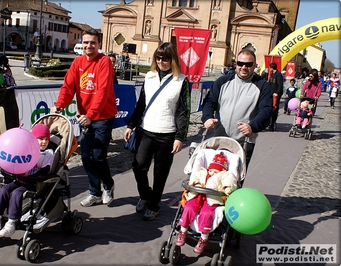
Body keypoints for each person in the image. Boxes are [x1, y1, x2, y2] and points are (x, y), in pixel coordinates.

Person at [123, 42, 190, 221]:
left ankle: (154, 205)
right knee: (138, 166)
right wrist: (131, 125)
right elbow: (141, 103)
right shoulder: (150, 76)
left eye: (166, 58)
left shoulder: (181, 80)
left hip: (167, 133)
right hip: (146, 130)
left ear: (173, 59)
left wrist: (179, 137)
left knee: (160, 173)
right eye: (158, 58)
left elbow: (184, 111)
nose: (162, 62)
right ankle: (146, 195)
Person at [50, 29, 117, 207]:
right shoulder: (78, 62)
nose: (89, 46)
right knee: (86, 156)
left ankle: (108, 185)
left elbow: (102, 92)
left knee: (98, 155)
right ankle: (94, 192)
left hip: (102, 116)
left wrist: (91, 115)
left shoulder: (104, 62)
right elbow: (68, 87)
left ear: (99, 44)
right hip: (84, 117)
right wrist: (59, 106)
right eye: (86, 42)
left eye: (93, 42)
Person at [0, 124, 54, 237]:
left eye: (46, 139)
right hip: (19, 178)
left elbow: (45, 170)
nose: (44, 142)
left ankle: (11, 222)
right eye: (40, 139)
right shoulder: (26, 149)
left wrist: (31, 177)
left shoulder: (48, 153)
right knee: (4, 189)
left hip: (33, 182)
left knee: (16, 193)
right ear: (34, 139)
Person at [202, 49, 272, 169]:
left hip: (243, 143)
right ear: (236, 64)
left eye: (249, 64)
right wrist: (207, 117)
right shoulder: (222, 81)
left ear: (254, 65)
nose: (244, 67)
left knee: (234, 182)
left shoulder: (262, 86)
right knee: (211, 177)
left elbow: (266, 111)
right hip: (218, 140)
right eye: (240, 63)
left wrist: (252, 126)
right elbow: (209, 101)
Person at [175, 153, 237, 254]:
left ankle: (204, 238)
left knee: (207, 213)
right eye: (210, 170)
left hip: (213, 198)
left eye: (215, 171)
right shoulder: (202, 173)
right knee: (189, 207)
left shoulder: (226, 175)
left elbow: (231, 182)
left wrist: (225, 189)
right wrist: (196, 184)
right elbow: (193, 179)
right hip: (197, 195)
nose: (212, 173)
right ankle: (183, 231)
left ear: (222, 170)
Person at [267, 62, 284, 131]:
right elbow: (270, 83)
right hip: (271, 94)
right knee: (270, 108)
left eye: (269, 67)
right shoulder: (272, 75)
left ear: (271, 68)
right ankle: (269, 122)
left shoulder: (278, 75)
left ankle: (273, 122)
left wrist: (277, 93)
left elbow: (280, 85)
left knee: (275, 109)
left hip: (276, 95)